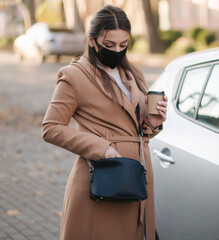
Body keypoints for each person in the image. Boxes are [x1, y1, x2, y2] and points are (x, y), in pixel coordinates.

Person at [41, 5, 167, 240]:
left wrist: (152, 122)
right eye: (109, 45)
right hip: (101, 179)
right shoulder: (74, 76)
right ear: (92, 40)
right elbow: (50, 128)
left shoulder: (134, 73)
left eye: (123, 44)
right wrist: (100, 148)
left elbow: (137, 129)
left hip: (136, 178)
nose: (117, 51)